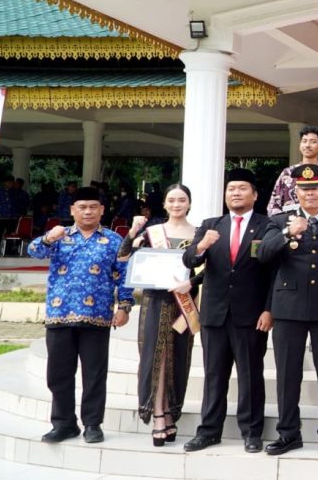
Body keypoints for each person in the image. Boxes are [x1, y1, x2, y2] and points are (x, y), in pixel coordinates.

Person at [260, 164, 318, 457]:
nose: (310, 192)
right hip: (287, 307)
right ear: (295, 191)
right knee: (288, 373)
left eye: (315, 187)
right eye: (304, 188)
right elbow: (263, 255)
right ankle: (288, 433)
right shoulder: (279, 221)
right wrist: (289, 231)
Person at [27, 186, 133, 444]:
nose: (88, 211)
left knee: (94, 374)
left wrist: (124, 306)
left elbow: (124, 275)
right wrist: (48, 238)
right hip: (59, 315)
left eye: (93, 207)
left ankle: (92, 424)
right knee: (58, 374)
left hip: (96, 316)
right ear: (72, 210)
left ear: (102, 210)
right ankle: (63, 423)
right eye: (82, 207)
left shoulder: (113, 240)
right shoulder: (60, 236)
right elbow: (33, 251)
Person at [181, 168, 275, 454]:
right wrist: (202, 245)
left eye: (242, 188)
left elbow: (273, 272)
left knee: (250, 375)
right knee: (214, 375)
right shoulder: (211, 225)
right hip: (215, 315)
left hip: (251, 315)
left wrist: (269, 309)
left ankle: (251, 432)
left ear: (255, 195)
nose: (236, 192)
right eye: (231, 188)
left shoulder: (267, 226)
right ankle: (209, 431)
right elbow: (188, 259)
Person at [118, 184, 199, 446]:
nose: (176, 204)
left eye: (181, 200)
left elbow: (203, 272)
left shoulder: (199, 233)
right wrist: (133, 232)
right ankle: (157, 415)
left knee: (177, 359)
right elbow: (123, 256)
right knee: (156, 358)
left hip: (183, 305)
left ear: (189, 203)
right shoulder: (153, 232)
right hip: (155, 303)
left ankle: (171, 411)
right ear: (164, 204)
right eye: (171, 200)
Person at [268, 125, 318, 216]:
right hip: (291, 224)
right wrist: (281, 223)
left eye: (313, 142)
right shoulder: (287, 173)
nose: (307, 145)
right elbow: (274, 204)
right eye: (304, 141)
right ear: (300, 145)